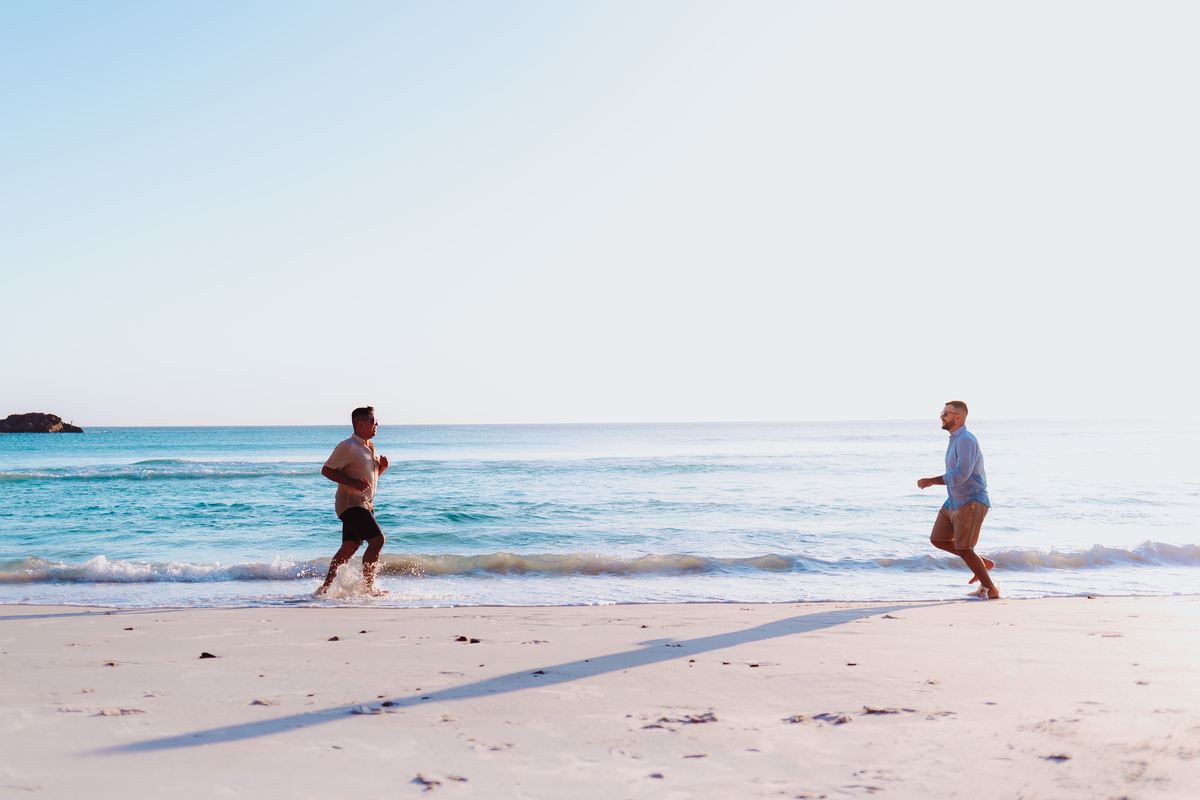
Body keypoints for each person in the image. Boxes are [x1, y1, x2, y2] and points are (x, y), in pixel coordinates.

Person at [917, 401, 999, 599]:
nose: (941, 416)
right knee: (938, 539)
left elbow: (961, 474)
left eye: (945, 413)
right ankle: (982, 562)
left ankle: (991, 590)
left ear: (958, 417)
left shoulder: (966, 440)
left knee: (964, 548)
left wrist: (931, 481)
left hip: (970, 501)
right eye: (942, 412)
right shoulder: (955, 439)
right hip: (954, 500)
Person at [316, 406, 390, 597]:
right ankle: (369, 588)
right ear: (361, 424)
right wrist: (352, 482)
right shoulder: (347, 446)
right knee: (377, 541)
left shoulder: (369, 447)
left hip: (364, 504)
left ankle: (324, 589)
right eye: (373, 421)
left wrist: (380, 469)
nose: (377, 425)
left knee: (349, 548)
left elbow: (367, 482)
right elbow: (327, 470)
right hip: (350, 504)